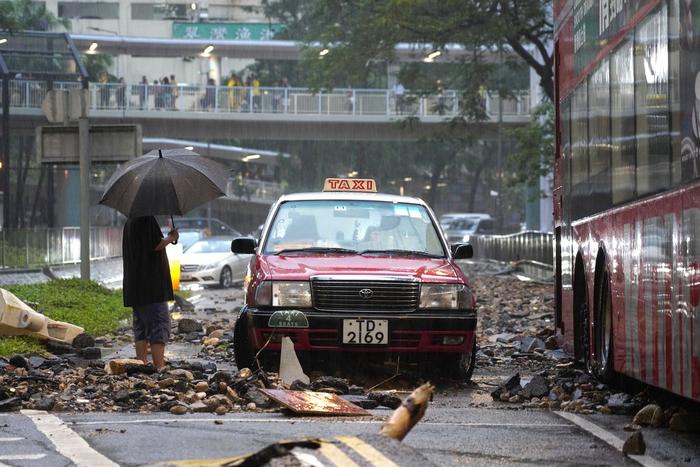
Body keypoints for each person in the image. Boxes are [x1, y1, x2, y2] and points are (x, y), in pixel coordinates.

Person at [122, 216, 179, 369]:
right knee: (159, 325)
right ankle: (159, 367)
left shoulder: (130, 221)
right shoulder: (146, 219)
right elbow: (155, 244)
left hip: (135, 285)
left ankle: (141, 365)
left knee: (141, 328)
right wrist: (171, 237)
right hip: (152, 286)